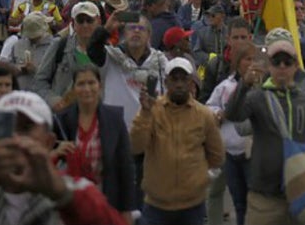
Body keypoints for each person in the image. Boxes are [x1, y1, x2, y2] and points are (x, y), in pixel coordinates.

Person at [0, 90, 128, 225]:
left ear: (49, 142)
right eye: (5, 129)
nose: (15, 138)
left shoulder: (76, 192)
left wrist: (60, 193)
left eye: (26, 128)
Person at [224, 28, 305, 225]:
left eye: (287, 62)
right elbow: (233, 116)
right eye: (276, 61)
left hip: (300, 191)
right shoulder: (257, 97)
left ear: (295, 65)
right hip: (264, 195)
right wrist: (244, 85)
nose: (282, 67)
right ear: (268, 65)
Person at [130, 56, 224, 225]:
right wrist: (145, 113)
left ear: (191, 82)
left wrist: (199, 178)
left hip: (192, 208)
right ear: (166, 82)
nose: (179, 84)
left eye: (184, 79)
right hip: (156, 207)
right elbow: (135, 147)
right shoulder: (152, 111)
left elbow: (217, 156)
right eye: (174, 79)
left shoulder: (204, 115)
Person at [53, 63, 138, 219]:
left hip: (106, 203)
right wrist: (57, 151)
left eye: (91, 82)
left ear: (100, 85)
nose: (87, 89)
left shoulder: (114, 118)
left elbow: (125, 166)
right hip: (72, 204)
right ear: (74, 88)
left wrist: (126, 210)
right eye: (81, 84)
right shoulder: (61, 120)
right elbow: (48, 159)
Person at [205, 43, 256, 225]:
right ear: (238, 62)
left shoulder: (260, 87)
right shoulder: (225, 86)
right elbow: (209, 107)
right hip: (230, 154)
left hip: (252, 153)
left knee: (254, 202)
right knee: (239, 202)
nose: (251, 63)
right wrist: (218, 113)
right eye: (247, 59)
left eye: (254, 59)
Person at [34, 0, 101, 111]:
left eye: (89, 20)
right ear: (73, 23)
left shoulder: (107, 51)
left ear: (98, 21)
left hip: (95, 114)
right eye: (80, 21)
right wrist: (53, 100)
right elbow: (40, 81)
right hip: (62, 114)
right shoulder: (59, 45)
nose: (85, 25)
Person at [5, 12, 55, 92]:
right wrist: (19, 69)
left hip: (43, 94)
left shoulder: (53, 46)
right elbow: (7, 67)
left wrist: (35, 70)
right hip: (20, 93)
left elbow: (58, 75)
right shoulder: (18, 45)